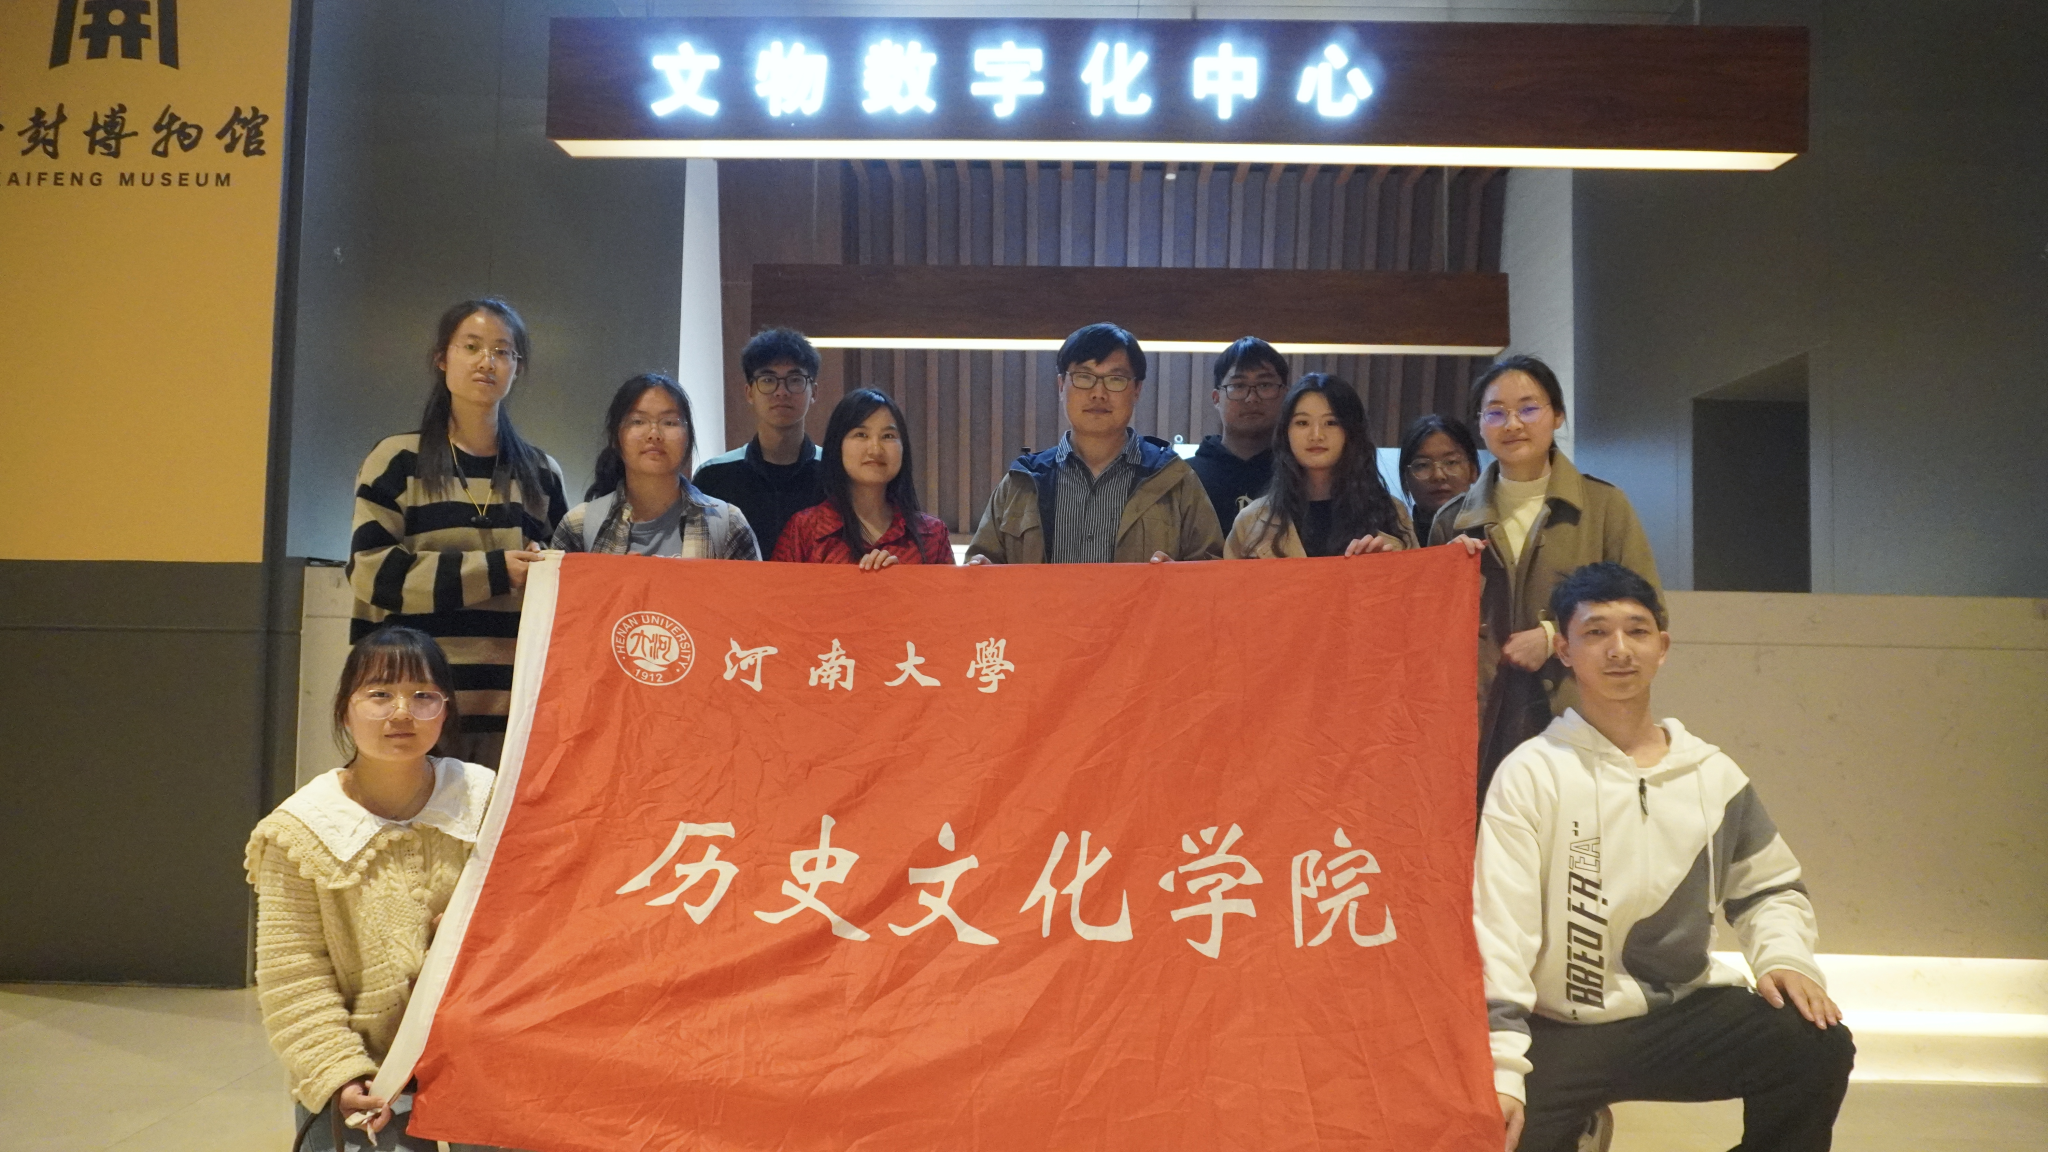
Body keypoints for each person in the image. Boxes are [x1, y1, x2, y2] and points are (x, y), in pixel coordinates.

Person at [1477, 562, 1852, 1152]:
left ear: (1663, 647)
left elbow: (1770, 889)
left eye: (1637, 631)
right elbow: (1501, 929)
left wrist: (1785, 958)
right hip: (1562, 1027)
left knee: (1815, 1043)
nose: (1619, 649)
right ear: (1565, 651)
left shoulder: (1711, 774)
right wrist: (1501, 1066)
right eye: (1596, 632)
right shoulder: (1532, 773)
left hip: (1680, 1013)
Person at [246, 627, 499, 1151]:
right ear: (345, 710)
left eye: (423, 695)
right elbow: (293, 975)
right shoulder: (299, 830)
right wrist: (337, 1071)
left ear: (445, 710)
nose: (402, 712)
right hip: (368, 1080)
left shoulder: (489, 800)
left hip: (485, 1068)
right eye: (380, 694)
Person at [1428, 354, 1658, 803]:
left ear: (1557, 415)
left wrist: (1555, 636)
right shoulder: (1452, 521)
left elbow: (1647, 612)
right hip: (1479, 720)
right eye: (1496, 412)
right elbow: (1427, 635)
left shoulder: (1604, 506)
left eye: (1528, 408)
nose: (1512, 424)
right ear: (1480, 425)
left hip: (1577, 712)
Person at [348, 297, 567, 769]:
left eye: (503, 351)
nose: (487, 361)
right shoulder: (396, 460)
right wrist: (496, 571)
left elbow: (565, 587)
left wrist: (544, 565)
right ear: (442, 359)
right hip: (413, 708)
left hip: (513, 709)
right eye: (471, 346)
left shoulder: (541, 472)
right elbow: (371, 573)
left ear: (517, 368)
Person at [966, 323, 1223, 564]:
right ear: (1061, 385)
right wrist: (981, 573)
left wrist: (1180, 580)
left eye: (1115, 379)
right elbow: (980, 571)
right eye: (1084, 376)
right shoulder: (1021, 482)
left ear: (1137, 390)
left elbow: (1213, 576)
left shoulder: (1175, 480)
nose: (1098, 393)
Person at [550, 374, 759, 560]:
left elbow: (753, 593)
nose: (654, 434)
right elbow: (553, 592)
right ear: (616, 437)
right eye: (637, 421)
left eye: (669, 422)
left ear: (688, 437)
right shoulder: (578, 526)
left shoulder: (729, 525)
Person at [1224, 374, 1417, 558]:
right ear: (1286, 432)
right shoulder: (1251, 522)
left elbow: (1415, 580)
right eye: (1302, 423)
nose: (1316, 435)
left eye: (1331, 422)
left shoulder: (1391, 513)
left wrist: (1380, 570)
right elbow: (1230, 581)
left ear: (1351, 431)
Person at [772, 388, 953, 568]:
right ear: (837, 445)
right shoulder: (804, 530)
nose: (875, 449)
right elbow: (774, 587)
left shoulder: (932, 535)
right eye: (861, 435)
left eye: (888, 436)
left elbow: (952, 588)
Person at [692, 327, 826, 557]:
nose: (781, 392)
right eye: (768, 380)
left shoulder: (836, 472)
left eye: (795, 380)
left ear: (813, 392)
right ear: (749, 392)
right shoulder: (713, 476)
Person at [1189, 336, 1288, 532]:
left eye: (1265, 385)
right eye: (1238, 386)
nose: (1252, 398)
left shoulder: (1300, 475)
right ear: (1216, 398)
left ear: (1285, 395)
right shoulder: (1186, 477)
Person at [1398, 412, 1482, 544]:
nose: (1438, 475)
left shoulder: (1493, 534)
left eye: (1451, 462)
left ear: (1473, 470)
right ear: (1406, 479)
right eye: (1423, 465)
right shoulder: (1395, 542)